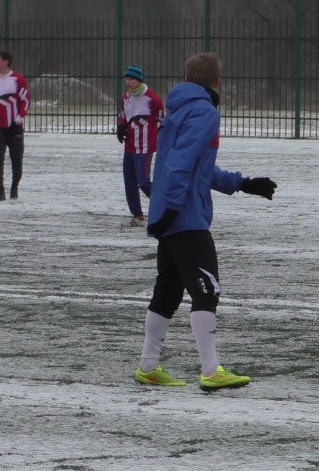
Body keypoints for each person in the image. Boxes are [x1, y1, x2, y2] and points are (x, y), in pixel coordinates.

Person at [134, 52, 278, 391]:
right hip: (184, 215)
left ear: (187, 79)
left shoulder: (179, 108)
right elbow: (181, 163)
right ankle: (211, 371)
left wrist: (241, 183)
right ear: (217, 82)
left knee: (168, 291)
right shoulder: (204, 112)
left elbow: (193, 165)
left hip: (172, 212)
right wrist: (171, 207)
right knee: (207, 289)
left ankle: (148, 367)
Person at [117, 64, 164, 226]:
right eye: (126, 79)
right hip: (129, 146)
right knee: (129, 182)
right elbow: (123, 115)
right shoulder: (126, 97)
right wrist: (121, 125)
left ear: (139, 80)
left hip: (145, 147)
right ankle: (137, 216)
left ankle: (166, 206)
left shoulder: (152, 98)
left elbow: (162, 120)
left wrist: (162, 140)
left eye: (131, 79)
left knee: (143, 181)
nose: (128, 82)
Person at [0, 51, 29, 201]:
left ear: (6, 62)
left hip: (14, 126)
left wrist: (21, 115)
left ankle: (14, 189)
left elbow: (25, 99)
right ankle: (0, 192)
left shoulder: (18, 79)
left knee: (16, 159)